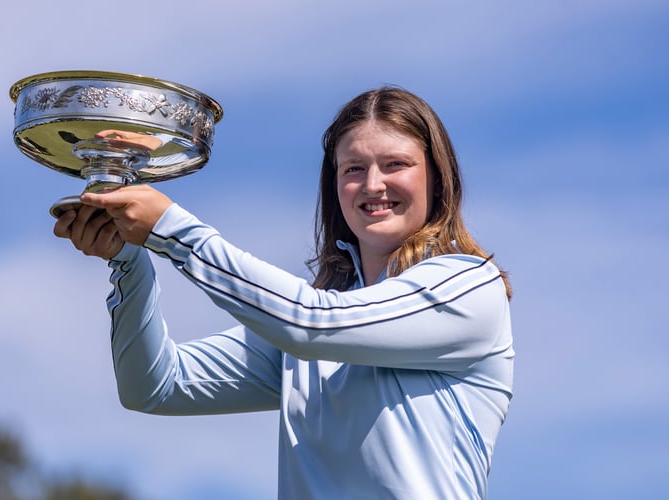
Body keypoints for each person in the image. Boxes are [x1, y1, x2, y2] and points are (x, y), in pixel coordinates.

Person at [54, 86, 514, 499]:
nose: (373, 185)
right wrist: (130, 260)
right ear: (333, 186)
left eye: (396, 164)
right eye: (354, 168)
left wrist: (172, 229)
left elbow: (312, 323)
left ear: (437, 178)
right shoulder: (309, 332)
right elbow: (155, 386)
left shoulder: (468, 287)